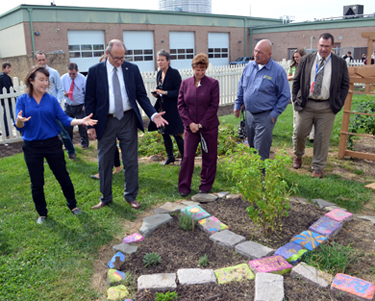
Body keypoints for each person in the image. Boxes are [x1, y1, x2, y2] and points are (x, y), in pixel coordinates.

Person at [85, 39, 168, 210]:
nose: (120, 61)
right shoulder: (95, 71)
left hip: (128, 120)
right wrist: (90, 125)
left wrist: (153, 115)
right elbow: (90, 100)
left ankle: (131, 196)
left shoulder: (132, 69)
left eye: (122, 57)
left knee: (130, 160)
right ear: (107, 54)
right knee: (104, 161)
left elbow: (141, 96)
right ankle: (105, 197)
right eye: (116, 58)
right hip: (105, 121)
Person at [14, 66, 97, 224]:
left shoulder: (51, 100)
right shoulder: (22, 100)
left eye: (46, 80)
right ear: (31, 80)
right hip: (32, 147)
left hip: (52, 144)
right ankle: (42, 213)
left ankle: (73, 206)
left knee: (63, 176)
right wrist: (19, 121)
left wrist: (81, 121)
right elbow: (19, 125)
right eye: (41, 79)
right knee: (37, 182)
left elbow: (65, 119)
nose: (45, 83)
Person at [292, 33, 350, 178]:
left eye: (327, 46)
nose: (324, 49)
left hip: (327, 107)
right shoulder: (306, 60)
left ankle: (317, 167)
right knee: (299, 133)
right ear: (317, 45)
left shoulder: (339, 63)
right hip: (306, 104)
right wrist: (295, 99)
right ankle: (298, 155)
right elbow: (297, 81)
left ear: (332, 47)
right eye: (321, 45)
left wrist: (339, 102)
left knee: (322, 138)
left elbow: (345, 84)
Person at [234, 39, 290, 161]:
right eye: (255, 51)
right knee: (252, 147)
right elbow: (241, 86)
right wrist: (237, 105)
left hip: (265, 116)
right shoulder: (249, 66)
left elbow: (285, 95)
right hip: (249, 115)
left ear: (269, 54)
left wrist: (274, 115)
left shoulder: (277, 71)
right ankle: (255, 173)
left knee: (261, 150)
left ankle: (261, 178)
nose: (256, 54)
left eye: (260, 52)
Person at [177, 53, 219, 196]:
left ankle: (205, 185)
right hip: (190, 128)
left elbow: (213, 106)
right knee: (188, 156)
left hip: (208, 127)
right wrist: (190, 124)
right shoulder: (185, 83)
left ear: (206, 69)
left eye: (203, 69)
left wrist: (201, 124)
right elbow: (181, 106)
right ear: (193, 68)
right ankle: (184, 186)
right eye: (197, 69)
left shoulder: (213, 84)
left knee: (209, 156)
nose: (200, 72)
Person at [34, 51, 76, 159]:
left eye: (43, 59)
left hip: (53, 108)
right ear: (36, 61)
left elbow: (60, 89)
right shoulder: (33, 74)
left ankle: (71, 152)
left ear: (46, 59)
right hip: (40, 109)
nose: (42, 62)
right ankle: (47, 156)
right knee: (44, 133)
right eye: (39, 60)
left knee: (62, 131)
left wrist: (56, 103)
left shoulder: (53, 72)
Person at [148, 49, 184, 165]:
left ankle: (185, 158)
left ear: (168, 61)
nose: (160, 62)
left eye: (162, 60)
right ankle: (170, 157)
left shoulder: (174, 73)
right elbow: (160, 88)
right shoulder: (159, 73)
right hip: (162, 108)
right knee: (165, 133)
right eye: (158, 60)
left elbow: (179, 92)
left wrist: (164, 92)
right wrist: (156, 93)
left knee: (177, 133)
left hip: (173, 109)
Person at [90, 54, 122, 180]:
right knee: (105, 146)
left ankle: (115, 168)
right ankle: (107, 170)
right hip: (101, 117)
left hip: (118, 117)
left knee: (111, 145)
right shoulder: (96, 77)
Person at [287, 49, 315, 142]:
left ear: (303, 56)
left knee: (311, 112)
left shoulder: (309, 65)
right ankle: (296, 132)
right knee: (296, 113)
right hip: (296, 92)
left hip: (307, 92)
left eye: (297, 57)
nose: (295, 59)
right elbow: (288, 77)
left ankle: (311, 135)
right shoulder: (293, 66)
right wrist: (296, 76)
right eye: (294, 57)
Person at [61, 63, 89, 149]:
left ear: (77, 70)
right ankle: (68, 144)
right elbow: (60, 90)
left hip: (80, 106)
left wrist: (85, 104)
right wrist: (64, 93)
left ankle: (84, 144)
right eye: (70, 73)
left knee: (82, 126)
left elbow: (87, 93)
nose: (72, 75)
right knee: (67, 126)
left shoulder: (83, 79)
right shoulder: (63, 78)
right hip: (68, 105)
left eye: (73, 73)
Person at [0, 62, 14, 138]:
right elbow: (8, 88)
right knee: (8, 116)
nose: (9, 69)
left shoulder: (3, 77)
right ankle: (7, 133)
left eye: (10, 68)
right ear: (3, 68)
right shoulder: (4, 77)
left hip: (7, 100)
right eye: (8, 68)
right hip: (7, 100)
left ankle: (7, 132)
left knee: (8, 115)